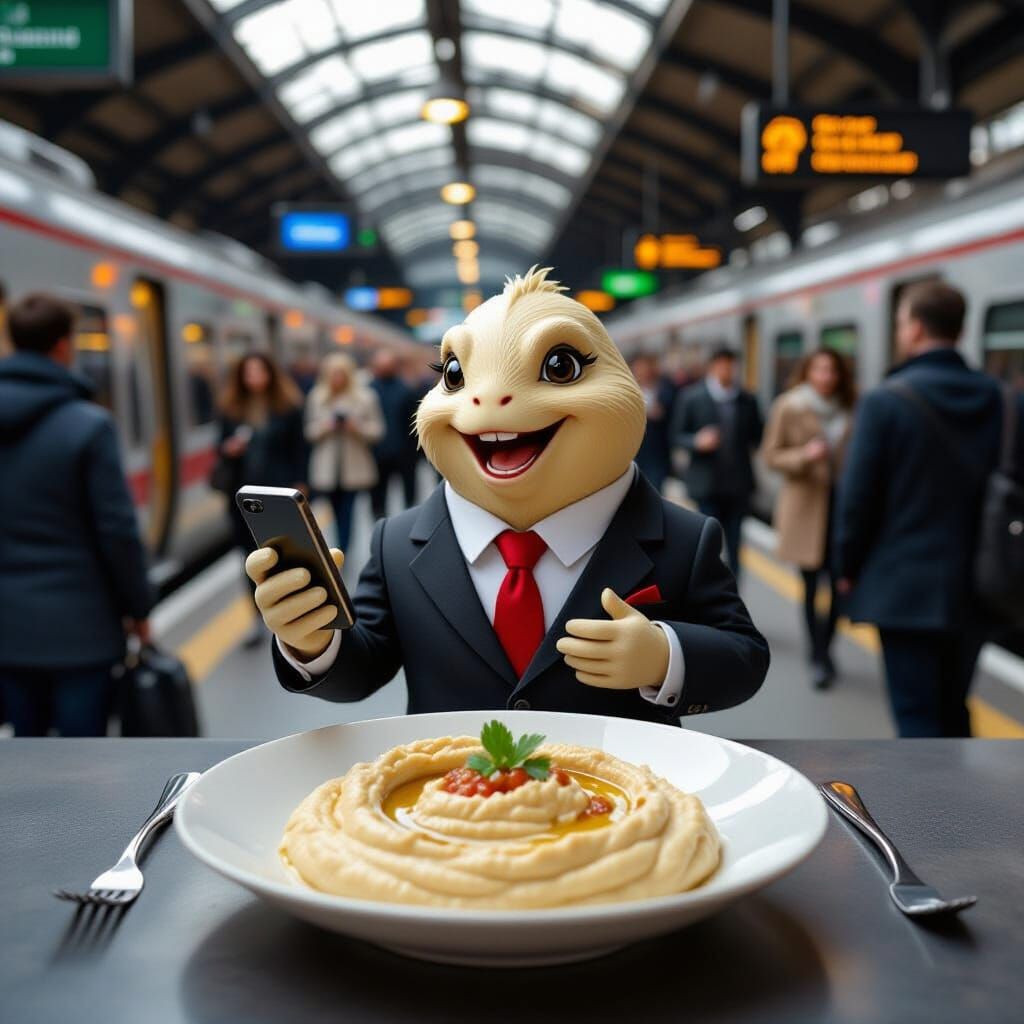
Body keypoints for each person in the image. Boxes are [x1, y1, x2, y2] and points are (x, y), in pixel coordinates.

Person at [245, 268, 769, 723]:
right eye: (454, 374)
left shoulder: (683, 537)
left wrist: (665, 657)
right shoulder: (397, 545)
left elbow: (746, 656)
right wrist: (311, 641)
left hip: (622, 812)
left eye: (559, 367)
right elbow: (363, 668)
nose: (487, 399)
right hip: (449, 813)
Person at [835, 280, 1019, 737]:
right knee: (956, 708)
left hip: (904, 588)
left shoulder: (884, 400)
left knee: (916, 716)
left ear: (915, 329)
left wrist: (845, 567)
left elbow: (857, 499)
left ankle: (928, 812)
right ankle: (960, 807)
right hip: (980, 582)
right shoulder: (1003, 399)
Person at [0, 293, 152, 736]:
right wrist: (138, 608)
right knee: (84, 757)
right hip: (82, 629)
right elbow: (117, 531)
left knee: (24, 752)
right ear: (65, 345)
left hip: (8, 627)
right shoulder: (88, 424)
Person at [761, 349, 855, 689]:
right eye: (820, 369)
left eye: (833, 369)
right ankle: (817, 655)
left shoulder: (851, 407)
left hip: (843, 509)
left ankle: (826, 646)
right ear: (808, 372)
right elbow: (770, 455)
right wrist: (805, 455)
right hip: (805, 510)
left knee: (841, 586)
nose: (827, 376)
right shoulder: (789, 405)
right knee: (812, 585)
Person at [216, 352, 306, 642]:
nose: (254, 376)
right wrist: (229, 449)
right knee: (250, 558)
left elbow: (300, 449)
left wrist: (301, 485)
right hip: (242, 495)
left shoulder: (288, 407)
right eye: (248, 371)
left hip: (278, 495)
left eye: (259, 370)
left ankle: (289, 611)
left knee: (282, 556)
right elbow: (219, 447)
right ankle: (258, 617)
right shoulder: (230, 409)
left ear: (270, 373)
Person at [670, 347, 764, 579]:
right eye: (722, 365)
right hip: (706, 486)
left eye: (731, 365)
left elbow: (758, 436)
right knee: (710, 545)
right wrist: (696, 442)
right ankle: (709, 592)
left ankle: (734, 597)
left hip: (738, 485)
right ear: (712, 367)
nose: (727, 370)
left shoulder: (747, 400)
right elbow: (676, 435)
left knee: (735, 545)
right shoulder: (692, 397)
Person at [304, 353, 384, 552]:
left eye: (341, 374)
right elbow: (308, 432)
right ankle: (335, 548)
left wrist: (355, 427)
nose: (337, 378)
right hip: (326, 468)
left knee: (348, 512)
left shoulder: (366, 397)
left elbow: (378, 431)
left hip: (354, 467)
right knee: (331, 511)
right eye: (333, 374)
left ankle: (343, 550)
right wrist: (326, 426)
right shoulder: (317, 397)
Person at [369, 349, 420, 517]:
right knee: (378, 495)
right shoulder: (369, 390)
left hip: (404, 452)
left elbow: (414, 423)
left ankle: (409, 517)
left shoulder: (406, 391)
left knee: (409, 490)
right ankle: (379, 522)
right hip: (377, 453)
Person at [631, 353, 677, 494]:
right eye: (639, 368)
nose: (642, 371)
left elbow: (669, 413)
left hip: (657, 452)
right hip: (633, 452)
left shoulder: (665, 388)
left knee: (655, 491)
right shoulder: (627, 390)